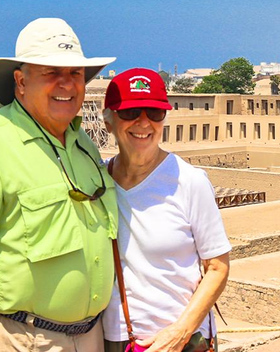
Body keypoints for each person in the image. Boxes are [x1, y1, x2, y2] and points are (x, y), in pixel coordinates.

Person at [0, 18, 118, 352]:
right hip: (24, 339)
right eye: (51, 72)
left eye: (74, 74)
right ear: (20, 81)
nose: (66, 85)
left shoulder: (83, 143)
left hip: (90, 337)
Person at [101, 68, 231, 352]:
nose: (143, 122)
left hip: (181, 340)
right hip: (114, 337)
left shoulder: (189, 181)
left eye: (155, 112)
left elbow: (218, 268)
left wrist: (179, 332)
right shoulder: (97, 180)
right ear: (108, 120)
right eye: (131, 111)